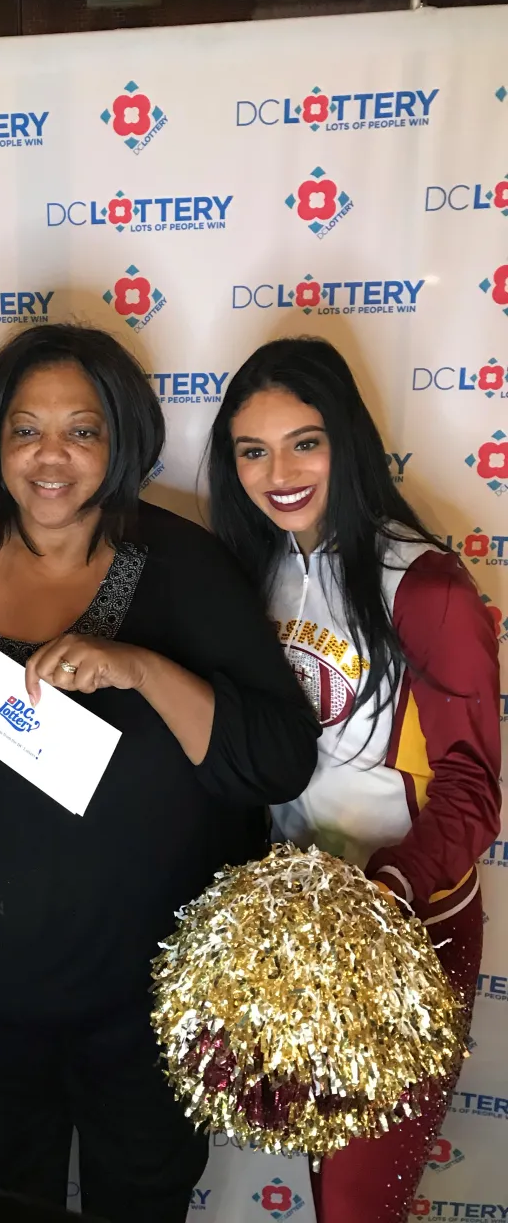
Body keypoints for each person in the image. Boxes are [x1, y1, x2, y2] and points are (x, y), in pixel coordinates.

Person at [0, 323, 320, 1222]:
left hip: (143, 1006)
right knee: (2, 1194)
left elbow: (277, 759)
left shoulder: (185, 566)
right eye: (26, 430)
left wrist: (141, 668)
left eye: (82, 431)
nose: (51, 458)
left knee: (143, 1195)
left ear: (120, 439)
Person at [207, 336, 502, 1223]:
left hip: (410, 931)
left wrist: (388, 896)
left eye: (306, 442)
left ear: (348, 441)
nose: (279, 472)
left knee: (359, 1202)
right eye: (252, 450)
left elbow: (472, 784)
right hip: (294, 935)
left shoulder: (427, 587)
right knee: (320, 1179)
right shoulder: (247, 574)